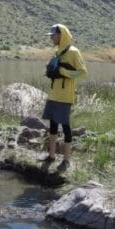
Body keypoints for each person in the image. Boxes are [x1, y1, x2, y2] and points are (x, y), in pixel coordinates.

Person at [42, 24, 87, 171]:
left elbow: (82, 73)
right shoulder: (57, 51)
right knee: (52, 126)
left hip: (65, 97)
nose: (51, 38)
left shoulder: (74, 52)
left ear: (62, 35)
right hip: (53, 94)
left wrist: (63, 71)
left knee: (66, 127)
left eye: (53, 35)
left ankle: (66, 160)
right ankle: (52, 155)